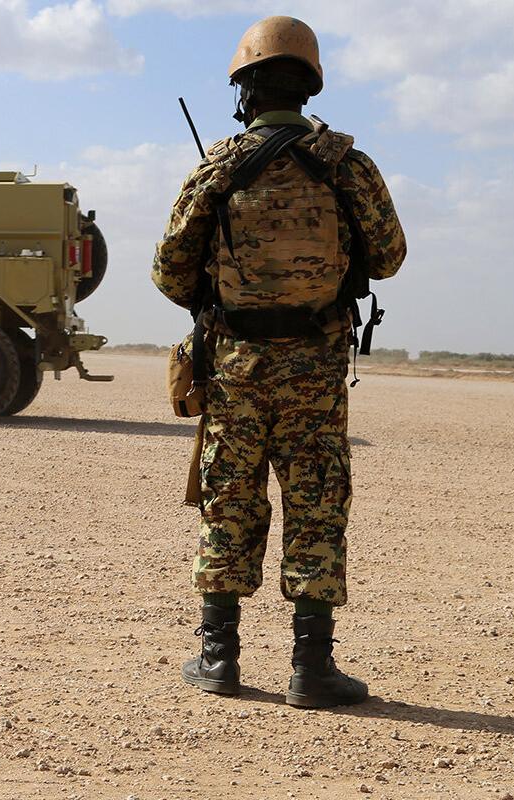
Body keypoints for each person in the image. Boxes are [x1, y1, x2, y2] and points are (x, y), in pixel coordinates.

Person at [151, 16, 407, 708]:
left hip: (235, 368)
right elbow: (388, 256)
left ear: (245, 90)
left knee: (230, 501)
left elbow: (169, 270)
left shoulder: (220, 165)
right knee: (317, 504)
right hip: (316, 372)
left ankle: (218, 658)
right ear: (309, 86)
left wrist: (223, 288)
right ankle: (311, 669)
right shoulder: (346, 163)